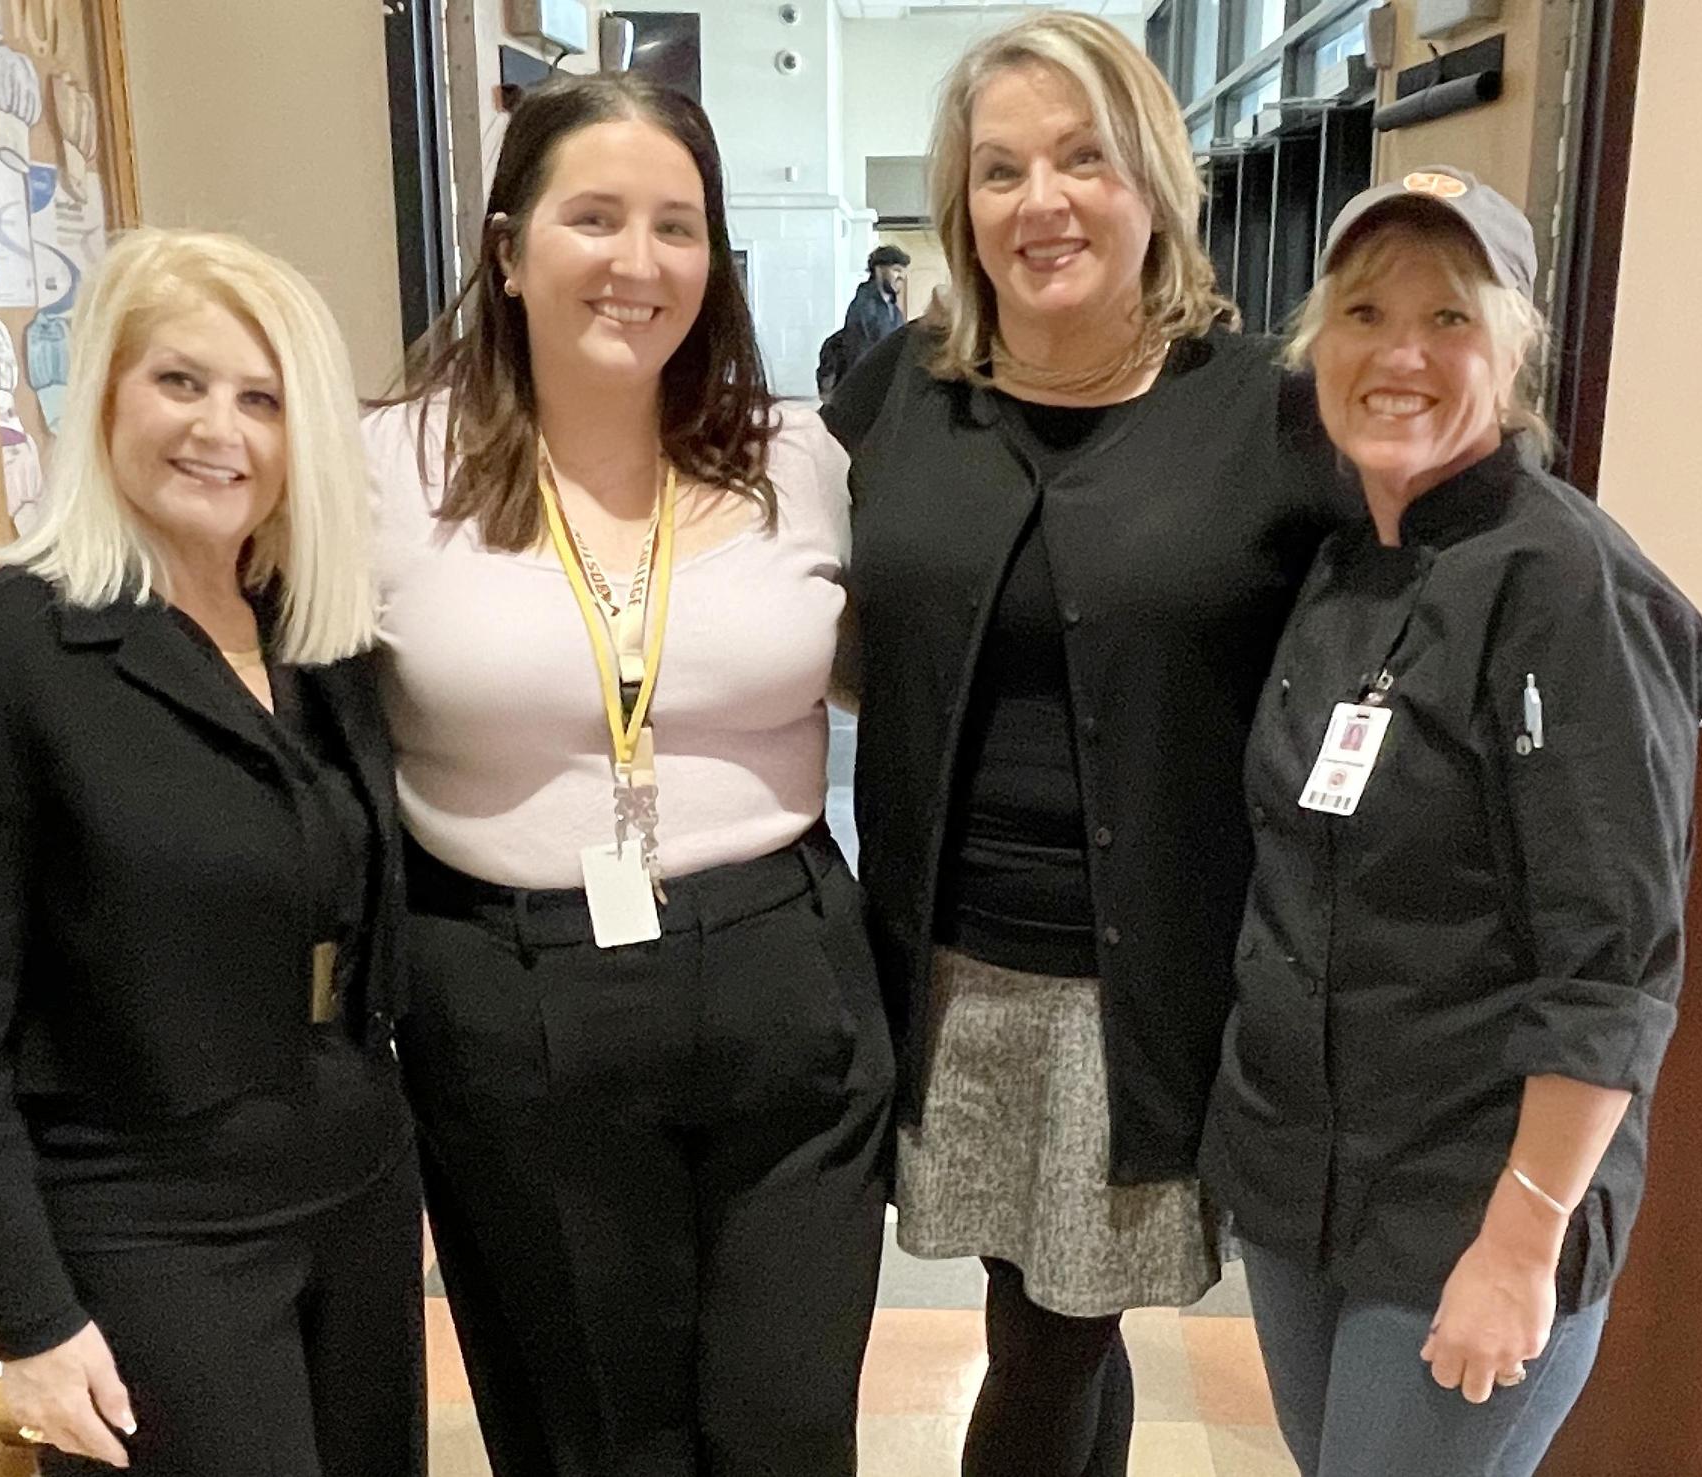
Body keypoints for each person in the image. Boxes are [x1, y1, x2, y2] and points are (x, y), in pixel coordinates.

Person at [820, 13, 1350, 1476]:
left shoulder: (1267, 409)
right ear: (960, 204)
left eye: (1082, 159)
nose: (1040, 200)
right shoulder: (902, 391)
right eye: (1000, 170)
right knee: (1052, 1308)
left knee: (1054, 1332)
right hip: (940, 964)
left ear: (1154, 183)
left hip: (1146, 985)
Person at [364, 74, 894, 1477]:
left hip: (784, 972)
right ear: (506, 249)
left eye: (677, 225)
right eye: (593, 217)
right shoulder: (384, 469)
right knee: (597, 1438)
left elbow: (898, 663)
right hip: (513, 991)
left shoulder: (800, 456)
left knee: (788, 1427)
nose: (638, 261)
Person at [0, 229, 425, 1477]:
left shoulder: (316, 640)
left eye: (262, 399)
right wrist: (25, 1317)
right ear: (106, 392)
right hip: (146, 1229)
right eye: (181, 381)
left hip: (353, 1186)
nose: (220, 429)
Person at [1200, 167, 1702, 1477]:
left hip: (1470, 1206)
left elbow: (1610, 967)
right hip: (1309, 1187)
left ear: (1514, 349)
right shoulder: (1343, 561)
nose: (1401, 356)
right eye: (1366, 314)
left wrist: (1522, 1241)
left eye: (1449, 318)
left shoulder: (1571, 587)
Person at [828, 244, 909, 391]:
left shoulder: (893, 310)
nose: (901, 277)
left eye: (903, 272)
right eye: (896, 270)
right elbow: (860, 355)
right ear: (879, 270)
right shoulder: (864, 306)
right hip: (868, 389)